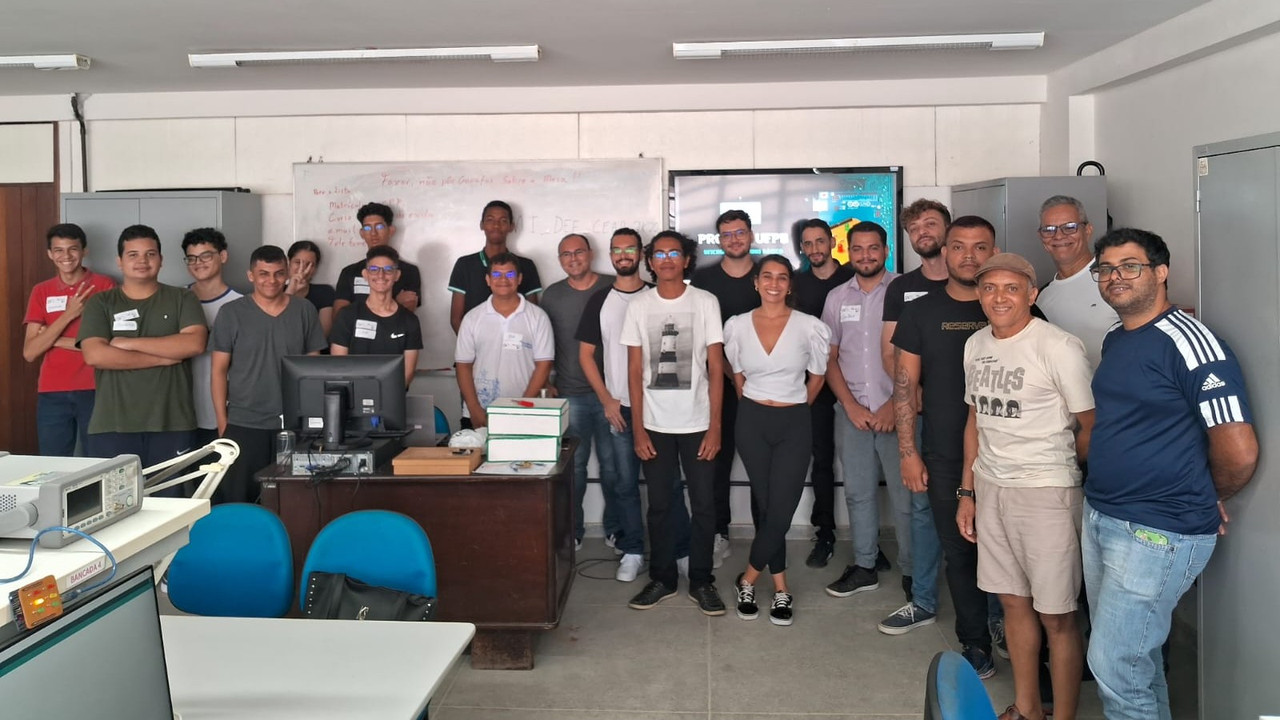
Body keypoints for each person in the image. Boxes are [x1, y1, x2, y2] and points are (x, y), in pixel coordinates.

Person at [1084, 228, 1257, 720]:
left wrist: (1204, 491)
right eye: (1105, 269)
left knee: (1114, 665)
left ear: (1161, 272)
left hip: (1156, 530)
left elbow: (1239, 450)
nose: (1115, 277)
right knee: (1135, 661)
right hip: (1103, 515)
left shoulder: (1193, 344)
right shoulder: (1117, 337)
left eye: (1130, 266)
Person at [956, 253, 1095, 720]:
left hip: (1046, 493)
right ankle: (1028, 708)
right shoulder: (975, 344)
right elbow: (975, 420)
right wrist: (967, 492)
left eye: (1011, 288)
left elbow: (1090, 425)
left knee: (1057, 614)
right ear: (979, 295)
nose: (999, 297)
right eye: (989, 288)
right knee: (1013, 604)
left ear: (1032, 294)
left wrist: (1062, 473)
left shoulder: (1058, 346)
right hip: (991, 488)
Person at [891, 215, 1010, 678]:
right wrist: (908, 452)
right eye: (958, 246)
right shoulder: (921, 312)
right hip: (943, 454)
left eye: (980, 247)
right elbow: (905, 387)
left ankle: (1005, 624)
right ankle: (975, 642)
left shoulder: (1012, 307)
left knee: (1006, 550)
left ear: (993, 252)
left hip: (1009, 457)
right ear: (945, 251)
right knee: (960, 551)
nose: (968, 256)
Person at [578, 228, 691, 582]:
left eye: (630, 249)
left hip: (659, 408)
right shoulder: (599, 300)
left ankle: (681, 550)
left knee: (669, 484)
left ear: (642, 255)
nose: (623, 255)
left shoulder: (658, 296)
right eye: (617, 249)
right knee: (624, 483)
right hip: (621, 408)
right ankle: (632, 550)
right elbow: (586, 355)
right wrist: (607, 399)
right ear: (610, 255)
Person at [622, 231, 725, 616]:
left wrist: (715, 427)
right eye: (659, 254)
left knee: (704, 506)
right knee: (661, 505)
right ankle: (662, 579)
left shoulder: (705, 302)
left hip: (698, 422)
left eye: (674, 253)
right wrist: (638, 428)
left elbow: (716, 368)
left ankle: (701, 580)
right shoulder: (639, 306)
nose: (666, 259)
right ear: (650, 261)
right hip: (654, 424)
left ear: (686, 259)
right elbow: (634, 371)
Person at [725, 254, 830, 626]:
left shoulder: (810, 326)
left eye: (782, 277)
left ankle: (748, 579)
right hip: (752, 420)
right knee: (768, 506)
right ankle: (781, 588)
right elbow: (737, 375)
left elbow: (818, 377)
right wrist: (756, 406)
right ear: (756, 282)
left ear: (790, 284)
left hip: (794, 421)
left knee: (781, 508)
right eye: (766, 276)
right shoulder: (737, 325)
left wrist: (794, 408)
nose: (774, 283)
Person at [820, 222, 914, 613]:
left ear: (886, 250)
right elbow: (829, 357)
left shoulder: (906, 291)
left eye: (873, 248)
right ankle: (865, 565)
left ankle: (913, 571)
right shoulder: (836, 297)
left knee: (907, 497)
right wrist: (851, 406)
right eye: (857, 249)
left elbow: (920, 354)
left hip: (899, 412)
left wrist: (895, 404)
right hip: (852, 413)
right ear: (848, 252)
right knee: (858, 493)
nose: (865, 256)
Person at [876, 199, 948, 637]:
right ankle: (923, 599)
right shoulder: (902, 288)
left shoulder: (976, 282)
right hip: (922, 415)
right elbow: (891, 351)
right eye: (914, 227)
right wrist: (914, 395)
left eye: (931, 223)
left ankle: (996, 613)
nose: (923, 231)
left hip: (980, 416)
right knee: (923, 506)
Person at [77, 225, 206, 468]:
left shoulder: (182, 298)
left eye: (150, 254)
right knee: (115, 494)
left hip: (172, 423)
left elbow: (194, 343)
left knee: (171, 493)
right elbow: (95, 355)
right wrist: (162, 358)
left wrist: (127, 343)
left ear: (161, 260)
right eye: (133, 254)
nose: (142, 261)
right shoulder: (101, 302)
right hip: (112, 425)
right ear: (119, 261)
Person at [210, 245, 327, 504]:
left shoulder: (304, 310)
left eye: (278, 273)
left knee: (295, 500)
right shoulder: (231, 313)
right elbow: (218, 371)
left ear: (287, 275)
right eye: (263, 273)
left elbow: (313, 368)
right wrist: (222, 423)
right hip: (244, 422)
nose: (271, 280)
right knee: (241, 500)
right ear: (251, 275)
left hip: (293, 423)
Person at [691, 209, 760, 567]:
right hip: (717, 386)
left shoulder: (766, 276)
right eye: (727, 234)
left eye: (740, 232)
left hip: (762, 389)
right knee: (715, 464)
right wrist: (733, 376)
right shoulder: (703, 280)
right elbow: (700, 337)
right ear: (719, 240)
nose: (734, 239)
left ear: (751, 235)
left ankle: (767, 536)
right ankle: (719, 532)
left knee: (762, 466)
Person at [541, 233, 617, 552]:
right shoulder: (552, 295)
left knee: (614, 468)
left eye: (579, 252)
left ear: (590, 253)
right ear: (560, 260)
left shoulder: (613, 286)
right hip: (570, 394)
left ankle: (617, 529)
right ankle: (573, 530)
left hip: (613, 396)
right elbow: (545, 342)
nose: (573, 259)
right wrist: (548, 381)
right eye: (566, 254)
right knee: (575, 469)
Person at [790, 218, 854, 568]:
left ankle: (868, 539)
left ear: (831, 242)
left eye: (819, 241)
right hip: (812, 384)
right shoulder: (796, 284)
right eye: (807, 243)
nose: (814, 248)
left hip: (854, 383)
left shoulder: (852, 278)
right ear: (802, 248)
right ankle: (825, 532)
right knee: (822, 461)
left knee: (862, 461)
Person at [23, 223, 116, 456]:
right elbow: (30, 352)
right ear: (50, 254)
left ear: (84, 251)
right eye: (59, 250)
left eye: (73, 249)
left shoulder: (104, 285)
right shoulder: (41, 291)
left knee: (100, 461)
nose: (66, 256)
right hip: (52, 391)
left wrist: (51, 338)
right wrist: (69, 314)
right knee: (53, 463)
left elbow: (110, 343)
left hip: (96, 388)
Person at [455, 251, 554, 428]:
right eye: (496, 275)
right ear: (488, 280)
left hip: (527, 411)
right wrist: (474, 409)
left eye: (509, 274)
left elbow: (544, 365)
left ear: (519, 279)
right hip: (480, 412)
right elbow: (463, 365)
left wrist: (522, 408)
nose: (503, 280)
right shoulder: (472, 318)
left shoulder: (538, 317)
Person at [1033, 196, 1119, 368]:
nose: (1059, 236)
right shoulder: (1041, 297)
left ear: (1088, 230)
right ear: (1041, 237)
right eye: (1049, 230)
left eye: (1069, 227)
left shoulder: (1116, 281)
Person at [330, 246, 423, 388]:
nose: (381, 275)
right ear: (365, 274)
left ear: (397, 275)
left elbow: (407, 373)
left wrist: (386, 395)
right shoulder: (347, 316)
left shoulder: (410, 321)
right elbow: (339, 367)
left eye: (388, 269)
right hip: (352, 396)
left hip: (392, 396)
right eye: (374, 269)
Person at [182, 228, 243, 446]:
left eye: (206, 256)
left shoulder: (241, 304)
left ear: (223, 256)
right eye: (191, 258)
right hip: (182, 411)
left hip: (227, 412)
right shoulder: (175, 299)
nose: (198, 263)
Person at [448, 200, 543, 333]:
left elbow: (533, 317)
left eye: (503, 221)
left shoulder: (526, 266)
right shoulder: (464, 265)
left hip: (517, 341)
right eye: (490, 220)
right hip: (476, 343)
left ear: (511, 226)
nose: (496, 225)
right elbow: (456, 319)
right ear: (482, 225)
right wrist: (471, 344)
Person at [332, 202, 422, 315]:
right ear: (362, 233)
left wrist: (358, 312)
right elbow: (339, 316)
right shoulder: (349, 272)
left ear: (391, 231)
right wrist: (395, 302)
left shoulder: (409, 271)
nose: (373, 233)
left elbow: (406, 314)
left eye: (379, 227)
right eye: (367, 228)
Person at [285, 240, 336, 337]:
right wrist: (290, 291)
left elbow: (321, 335)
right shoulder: (276, 290)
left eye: (309, 264)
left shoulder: (325, 292)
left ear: (315, 268)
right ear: (289, 263)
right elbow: (272, 328)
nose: (303, 268)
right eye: (297, 262)